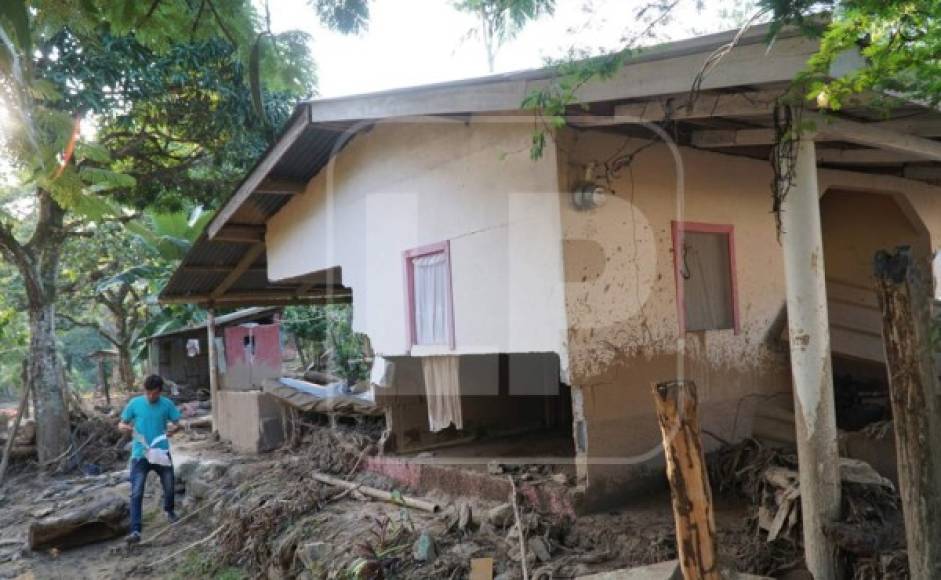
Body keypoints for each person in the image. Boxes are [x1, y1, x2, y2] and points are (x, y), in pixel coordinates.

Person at [118, 374, 181, 543]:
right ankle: (136, 530)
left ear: (160, 392)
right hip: (140, 454)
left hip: (160, 452)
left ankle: (169, 511)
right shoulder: (135, 403)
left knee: (169, 484)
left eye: (155, 393)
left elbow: (177, 423)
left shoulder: (166, 404)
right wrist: (128, 429)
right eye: (148, 393)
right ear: (144, 390)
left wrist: (173, 431)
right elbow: (121, 423)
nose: (151, 396)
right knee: (136, 492)